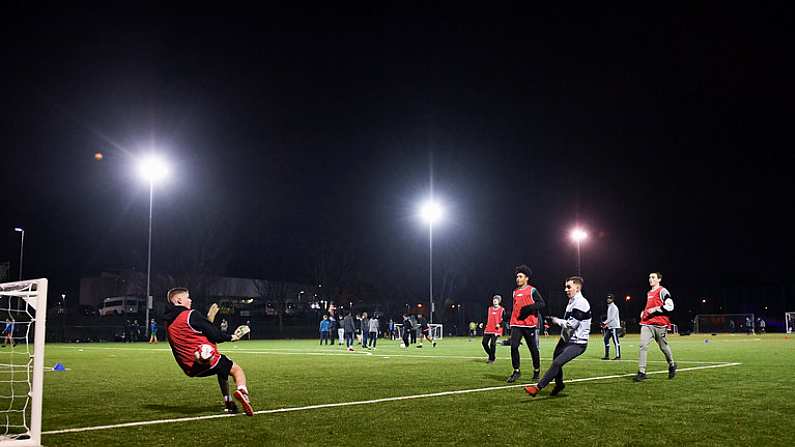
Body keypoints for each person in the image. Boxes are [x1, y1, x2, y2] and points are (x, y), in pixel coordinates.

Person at [163, 287, 253, 416]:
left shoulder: (168, 323)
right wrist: (233, 337)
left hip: (190, 368)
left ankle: (228, 402)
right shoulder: (191, 315)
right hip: (205, 360)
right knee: (236, 370)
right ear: (178, 300)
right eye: (187, 297)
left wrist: (209, 319)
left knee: (222, 371)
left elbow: (195, 334)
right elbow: (214, 335)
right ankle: (243, 393)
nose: (190, 300)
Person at [524, 276, 591, 397]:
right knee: (556, 359)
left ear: (577, 288)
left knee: (557, 363)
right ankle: (559, 384)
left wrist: (555, 320)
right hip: (567, 338)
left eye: (568, 287)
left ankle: (538, 388)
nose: (566, 289)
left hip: (578, 343)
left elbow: (571, 325)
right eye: (565, 287)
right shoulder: (572, 301)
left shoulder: (581, 303)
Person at [507, 265, 546, 383]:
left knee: (533, 348)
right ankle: (516, 371)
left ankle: (536, 370)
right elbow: (515, 307)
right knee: (513, 346)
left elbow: (541, 303)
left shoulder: (532, 290)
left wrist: (529, 308)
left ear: (526, 278)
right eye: (517, 277)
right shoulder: (514, 292)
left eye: (520, 276)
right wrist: (508, 315)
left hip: (529, 325)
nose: (517, 279)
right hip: (516, 324)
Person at [635, 272, 677, 382]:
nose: (650, 279)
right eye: (649, 277)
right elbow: (649, 307)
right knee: (643, 346)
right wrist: (643, 312)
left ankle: (672, 364)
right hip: (647, 324)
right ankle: (641, 371)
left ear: (659, 279)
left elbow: (670, 306)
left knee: (663, 347)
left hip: (660, 325)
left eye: (653, 277)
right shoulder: (649, 293)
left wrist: (655, 309)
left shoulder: (663, 291)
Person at [482, 295, 505, 364]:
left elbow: (505, 320)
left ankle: (491, 359)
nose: (494, 301)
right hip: (488, 329)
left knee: (492, 344)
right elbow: (486, 317)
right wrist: (482, 323)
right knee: (484, 343)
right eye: (494, 300)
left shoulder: (502, 310)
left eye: (496, 300)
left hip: (496, 330)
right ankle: (491, 355)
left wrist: (500, 324)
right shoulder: (489, 309)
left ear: (499, 301)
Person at [601, 294, 621, 360]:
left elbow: (612, 318)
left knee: (615, 341)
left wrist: (604, 322)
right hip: (610, 327)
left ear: (612, 299)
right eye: (608, 298)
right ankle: (607, 355)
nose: (608, 299)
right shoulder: (609, 307)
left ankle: (618, 356)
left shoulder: (614, 307)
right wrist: (606, 325)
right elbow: (610, 318)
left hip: (614, 327)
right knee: (605, 339)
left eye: (610, 298)